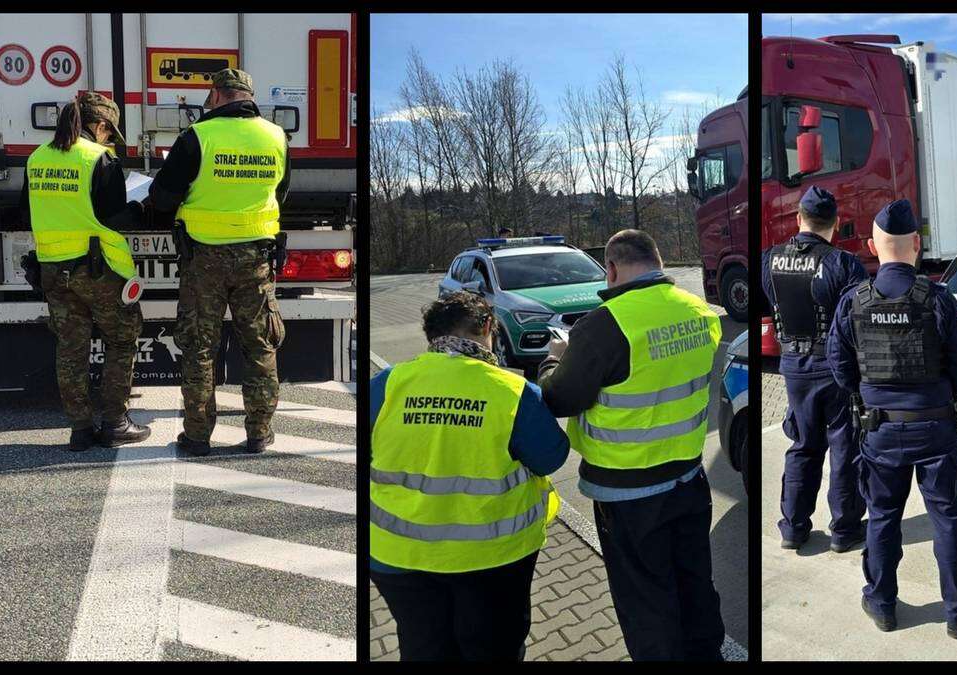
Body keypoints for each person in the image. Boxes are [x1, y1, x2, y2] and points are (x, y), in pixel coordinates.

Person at [539, 229, 725, 661]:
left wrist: (554, 357)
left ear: (613, 268)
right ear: (659, 262)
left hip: (627, 494)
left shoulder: (604, 325)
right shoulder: (702, 312)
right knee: (695, 583)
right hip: (688, 478)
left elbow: (558, 397)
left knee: (646, 600)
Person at [369, 292, 568, 661]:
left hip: (397, 557)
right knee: (492, 649)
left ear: (431, 336)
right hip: (490, 559)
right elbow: (551, 457)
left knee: (424, 648)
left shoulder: (387, 384)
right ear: (489, 327)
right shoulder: (511, 391)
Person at [828, 199, 957, 639]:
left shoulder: (853, 302)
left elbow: (841, 369)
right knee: (948, 518)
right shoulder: (938, 299)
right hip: (936, 427)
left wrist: (870, 395)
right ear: (917, 245)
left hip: (879, 431)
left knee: (882, 517)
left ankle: (882, 603)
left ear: (871, 246)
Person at [148, 68, 292, 456]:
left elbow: (163, 198)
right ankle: (259, 433)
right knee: (260, 346)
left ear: (216, 95)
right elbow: (281, 193)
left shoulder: (197, 137)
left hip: (203, 259)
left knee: (198, 349)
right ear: (248, 94)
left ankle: (197, 437)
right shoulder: (276, 137)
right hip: (256, 259)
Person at [21, 92, 150, 451]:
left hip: (52, 269)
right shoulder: (99, 159)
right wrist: (140, 207)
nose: (110, 140)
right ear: (100, 125)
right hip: (96, 270)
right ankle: (114, 423)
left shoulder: (37, 158)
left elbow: (23, 212)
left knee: (70, 347)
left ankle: (79, 429)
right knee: (122, 339)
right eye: (110, 133)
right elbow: (112, 218)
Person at [760, 185, 869, 552]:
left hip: (792, 365)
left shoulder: (770, 258)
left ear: (798, 219)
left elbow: (771, 301)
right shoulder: (843, 263)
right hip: (835, 366)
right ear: (835, 223)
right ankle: (845, 529)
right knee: (844, 446)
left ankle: (793, 527)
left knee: (803, 444)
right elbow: (858, 319)